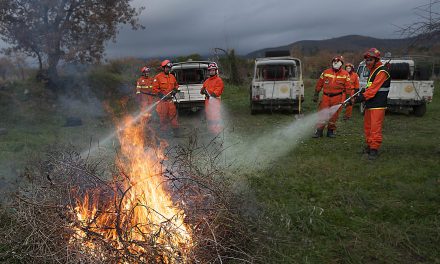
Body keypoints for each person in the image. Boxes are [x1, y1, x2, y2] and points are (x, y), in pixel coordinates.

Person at [353, 48, 390, 160]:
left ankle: (374, 149)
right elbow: (369, 87)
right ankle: (369, 146)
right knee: (368, 127)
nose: (368, 62)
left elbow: (373, 89)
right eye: (367, 60)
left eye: (370, 59)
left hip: (378, 104)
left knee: (375, 128)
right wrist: (362, 93)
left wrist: (361, 98)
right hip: (370, 103)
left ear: (376, 59)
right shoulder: (373, 71)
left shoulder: (382, 71)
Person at [313, 55, 351, 138]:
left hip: (337, 97)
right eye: (334, 61)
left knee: (334, 115)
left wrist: (348, 98)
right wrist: (316, 94)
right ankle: (319, 131)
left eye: (338, 61)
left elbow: (348, 87)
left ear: (341, 63)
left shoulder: (345, 74)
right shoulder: (326, 72)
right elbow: (319, 83)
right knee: (322, 113)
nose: (336, 62)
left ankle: (330, 131)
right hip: (326, 97)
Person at [152, 60, 180, 136]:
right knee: (163, 117)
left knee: (173, 116)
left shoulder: (172, 77)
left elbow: (176, 85)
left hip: (170, 101)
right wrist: (160, 94)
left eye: (169, 68)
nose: (168, 69)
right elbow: (154, 89)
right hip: (162, 102)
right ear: (163, 68)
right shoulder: (158, 77)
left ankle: (176, 132)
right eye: (167, 67)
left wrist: (175, 90)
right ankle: (164, 133)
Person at [200, 62, 224, 134]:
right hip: (207, 102)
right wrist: (202, 91)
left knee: (216, 118)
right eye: (210, 70)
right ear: (208, 71)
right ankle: (211, 132)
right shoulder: (207, 81)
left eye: (213, 70)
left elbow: (218, 91)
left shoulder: (219, 80)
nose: (211, 71)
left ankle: (218, 133)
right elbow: (202, 90)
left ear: (216, 71)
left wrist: (210, 94)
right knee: (209, 118)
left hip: (215, 102)